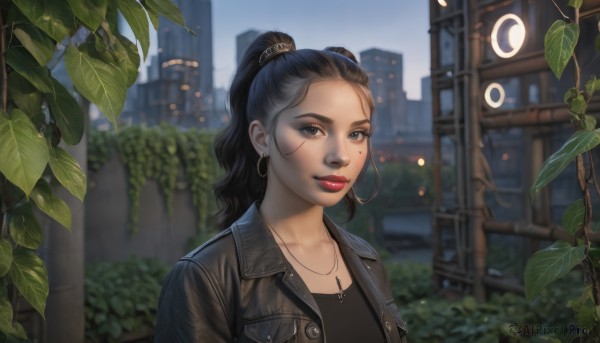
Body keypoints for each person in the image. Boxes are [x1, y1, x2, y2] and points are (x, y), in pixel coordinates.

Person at [155, 31, 408, 342]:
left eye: (357, 134)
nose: (341, 156)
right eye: (312, 129)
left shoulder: (367, 260)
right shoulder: (206, 275)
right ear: (261, 138)